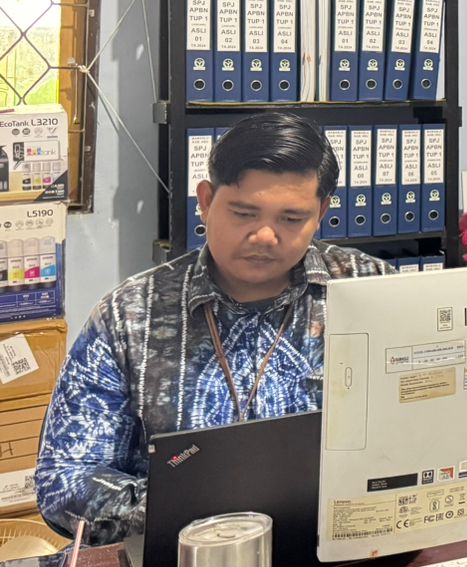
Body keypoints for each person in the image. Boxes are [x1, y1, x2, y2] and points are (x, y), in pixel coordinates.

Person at [35, 112, 392, 543]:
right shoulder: (131, 314)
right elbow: (64, 477)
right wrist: (185, 513)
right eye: (244, 213)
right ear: (205, 201)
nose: (265, 236)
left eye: (291, 219)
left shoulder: (375, 292)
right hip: (180, 561)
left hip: (349, 550)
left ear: (321, 213)